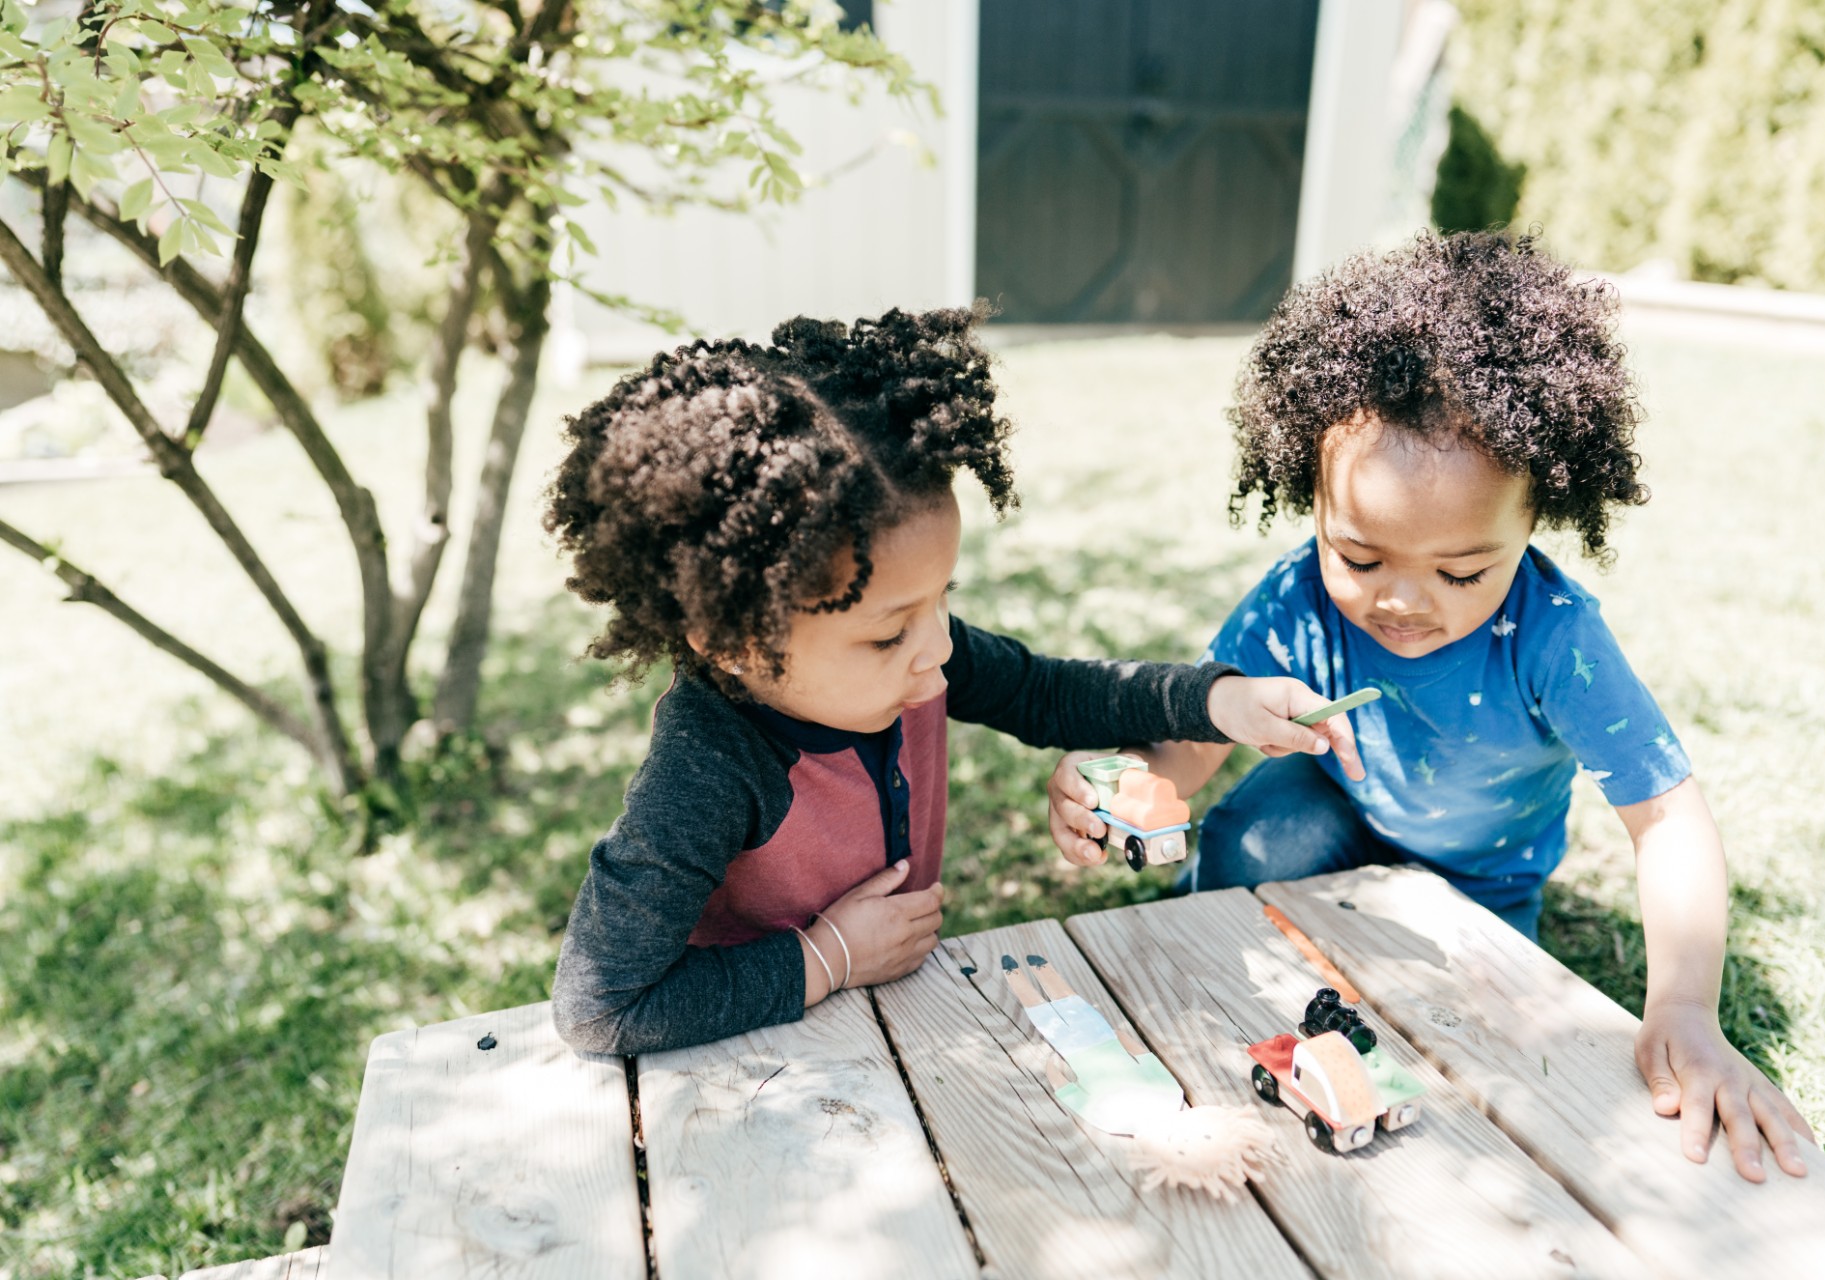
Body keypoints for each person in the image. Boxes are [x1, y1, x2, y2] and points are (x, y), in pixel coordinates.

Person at [1043, 232, 1813, 1183]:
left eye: (1462, 570)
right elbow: (1189, 752)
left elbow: (1669, 822)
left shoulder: (1554, 638)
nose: (1403, 601)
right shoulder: (1297, 599)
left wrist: (1687, 1009)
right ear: (1314, 507)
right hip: (1331, 818)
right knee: (1253, 838)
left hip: (1479, 885)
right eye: (1359, 558)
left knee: (1453, 1044)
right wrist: (1118, 789)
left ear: (1532, 522)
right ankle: (1195, 985)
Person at [544, 306, 1360, 1056]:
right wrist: (827, 958)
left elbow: (1053, 691)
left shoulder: (921, 663)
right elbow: (599, 1005)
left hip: (903, 1023)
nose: (937, 649)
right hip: (753, 1063)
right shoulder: (709, 765)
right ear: (733, 642)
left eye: (945, 601)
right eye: (890, 632)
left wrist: (1219, 700)